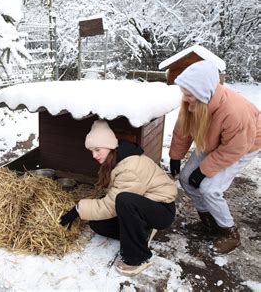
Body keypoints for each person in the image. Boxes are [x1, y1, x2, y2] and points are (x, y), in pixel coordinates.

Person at [60, 120, 177, 276]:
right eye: (91, 151)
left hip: (162, 209)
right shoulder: (117, 158)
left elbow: (112, 205)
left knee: (123, 200)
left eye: (97, 149)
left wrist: (78, 209)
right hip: (145, 205)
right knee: (97, 224)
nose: (94, 155)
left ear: (109, 145)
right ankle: (142, 231)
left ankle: (138, 258)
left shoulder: (130, 168)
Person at [169, 60, 260, 254]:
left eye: (188, 93)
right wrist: (175, 156)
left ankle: (229, 232)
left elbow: (234, 149)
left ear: (203, 93)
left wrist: (203, 171)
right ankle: (209, 223)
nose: (184, 97)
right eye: (184, 92)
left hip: (245, 144)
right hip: (213, 138)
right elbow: (182, 129)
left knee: (209, 188)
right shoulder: (193, 102)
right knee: (186, 179)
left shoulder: (235, 112)